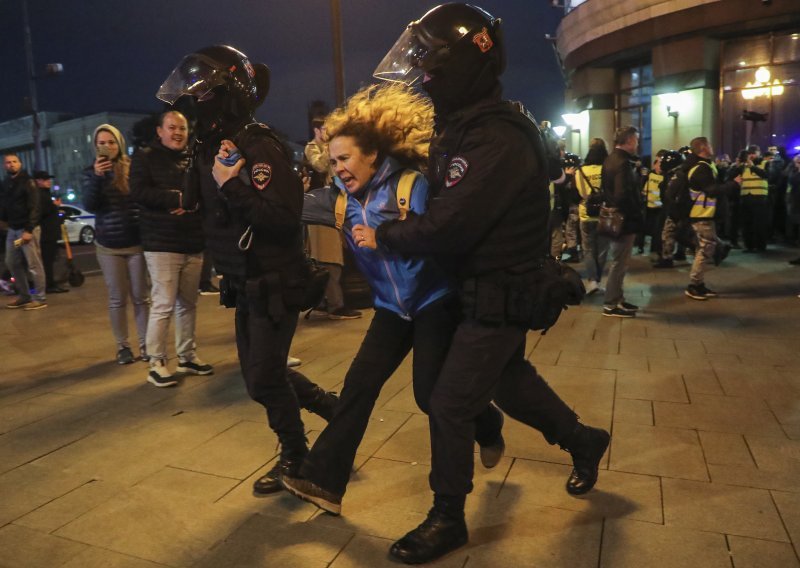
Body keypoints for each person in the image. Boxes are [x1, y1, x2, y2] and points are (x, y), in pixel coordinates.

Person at [356, 5, 610, 563]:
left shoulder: (495, 137)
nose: (423, 75)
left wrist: (389, 235)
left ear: (467, 61)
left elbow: (453, 223)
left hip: (501, 292)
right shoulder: (467, 127)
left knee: (448, 403)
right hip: (476, 291)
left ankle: (447, 517)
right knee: (510, 382)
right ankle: (583, 439)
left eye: (431, 61)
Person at [281, 83, 504, 515]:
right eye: (332, 162)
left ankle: (488, 421)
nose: (339, 169)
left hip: (434, 303)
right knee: (359, 387)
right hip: (390, 310)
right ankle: (323, 481)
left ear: (372, 153)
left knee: (428, 395)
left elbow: (437, 238)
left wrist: (382, 238)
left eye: (345, 158)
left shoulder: (409, 186)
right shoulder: (338, 202)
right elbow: (287, 206)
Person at [156, 45, 338, 494]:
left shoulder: (261, 146)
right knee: (263, 373)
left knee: (263, 378)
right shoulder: (213, 147)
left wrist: (231, 185)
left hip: (276, 280)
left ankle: (297, 456)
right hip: (245, 281)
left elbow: (279, 217)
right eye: (192, 94)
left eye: (204, 92)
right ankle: (336, 409)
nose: (196, 103)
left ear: (229, 92)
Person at [130, 110, 213, 386]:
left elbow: (206, 194)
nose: (178, 132)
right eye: (172, 127)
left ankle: (187, 356)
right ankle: (156, 361)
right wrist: (176, 198)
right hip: (162, 242)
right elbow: (138, 192)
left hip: (192, 240)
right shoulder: (145, 157)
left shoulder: (194, 158)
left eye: (182, 128)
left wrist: (193, 202)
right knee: (163, 303)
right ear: (159, 131)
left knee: (188, 303)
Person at [83, 124, 150, 364]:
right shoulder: (91, 172)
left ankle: (146, 345)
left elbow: (141, 200)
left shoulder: (132, 167)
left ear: (119, 143)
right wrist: (97, 178)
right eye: (101, 143)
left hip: (135, 243)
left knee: (141, 297)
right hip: (108, 245)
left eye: (111, 142)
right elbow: (90, 205)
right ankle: (123, 346)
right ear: (95, 146)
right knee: (117, 299)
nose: (106, 147)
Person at [304, 116, 361, 320]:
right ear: (317, 131)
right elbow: (320, 166)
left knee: (331, 257)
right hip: (321, 207)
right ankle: (335, 305)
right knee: (328, 258)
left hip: (336, 204)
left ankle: (325, 303)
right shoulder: (312, 147)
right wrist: (329, 147)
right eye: (324, 129)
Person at [683, 137, 741, 300]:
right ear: (703, 148)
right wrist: (734, 184)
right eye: (708, 144)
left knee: (704, 248)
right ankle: (694, 285)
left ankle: (698, 284)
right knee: (705, 249)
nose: (711, 146)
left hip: (703, 214)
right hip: (702, 215)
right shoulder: (702, 168)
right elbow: (712, 190)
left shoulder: (703, 166)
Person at [600, 126, 644, 318]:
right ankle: (611, 304)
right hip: (624, 220)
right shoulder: (623, 163)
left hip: (616, 218)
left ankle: (617, 298)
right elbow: (622, 195)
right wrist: (636, 211)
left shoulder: (610, 159)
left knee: (619, 261)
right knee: (619, 262)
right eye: (636, 139)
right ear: (629, 140)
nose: (637, 143)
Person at [3, 153, 47, 310]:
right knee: (12, 262)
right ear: (4, 165)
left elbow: (35, 207)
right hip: (13, 231)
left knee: (34, 264)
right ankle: (24, 296)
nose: (11, 164)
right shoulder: (6, 182)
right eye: (8, 162)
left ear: (20, 163)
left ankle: (40, 298)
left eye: (14, 161)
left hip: (26, 230)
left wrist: (29, 229)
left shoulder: (28, 182)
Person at [574, 138, 610, 294]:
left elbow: (578, 193)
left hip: (585, 214)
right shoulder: (607, 168)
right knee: (602, 250)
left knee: (588, 249)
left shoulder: (580, 171)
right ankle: (598, 279)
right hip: (604, 213)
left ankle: (592, 281)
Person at [32, 170, 68, 294]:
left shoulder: (44, 194)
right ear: (38, 181)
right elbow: (43, 212)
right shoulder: (40, 195)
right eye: (45, 179)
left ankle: (49, 283)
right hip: (46, 234)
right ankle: (49, 285)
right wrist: (55, 206)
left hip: (48, 233)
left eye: (49, 179)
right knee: (46, 261)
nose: (49, 181)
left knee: (48, 260)